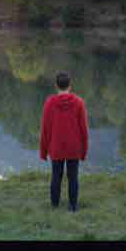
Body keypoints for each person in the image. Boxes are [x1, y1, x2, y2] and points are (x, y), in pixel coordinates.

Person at [39, 71, 89, 212]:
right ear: (70, 85)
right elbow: (83, 129)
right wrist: (84, 151)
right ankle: (72, 206)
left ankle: (54, 205)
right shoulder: (79, 103)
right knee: (73, 177)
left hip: (56, 147)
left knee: (56, 176)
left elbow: (45, 129)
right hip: (74, 147)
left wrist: (43, 151)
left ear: (56, 85)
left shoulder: (50, 103)